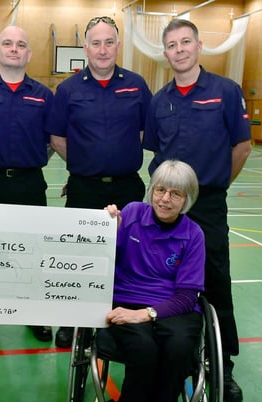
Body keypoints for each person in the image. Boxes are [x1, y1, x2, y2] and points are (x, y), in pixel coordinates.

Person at [143, 18, 252, 402]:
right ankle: (175, 354)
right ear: (165, 53)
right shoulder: (159, 101)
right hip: (166, 205)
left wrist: (215, 188)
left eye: (185, 42)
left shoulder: (225, 91)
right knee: (166, 278)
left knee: (216, 281)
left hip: (207, 203)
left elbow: (241, 147)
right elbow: (156, 154)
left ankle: (224, 364)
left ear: (199, 46)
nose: (179, 50)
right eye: (171, 45)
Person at [46, 15, 152, 348]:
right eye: (96, 43)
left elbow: (147, 131)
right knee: (76, 256)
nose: (102, 49)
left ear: (118, 46)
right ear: (85, 47)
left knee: (128, 258)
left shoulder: (137, 85)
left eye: (109, 42)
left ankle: (125, 316)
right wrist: (84, 163)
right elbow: (57, 137)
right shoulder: (68, 89)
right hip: (84, 187)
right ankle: (71, 321)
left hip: (127, 188)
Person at [0, 25, 54, 343]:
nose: (14, 49)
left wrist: (25, 163)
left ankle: (35, 314)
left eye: (21, 45)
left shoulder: (44, 96)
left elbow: (51, 141)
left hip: (30, 185)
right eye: (7, 43)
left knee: (33, 253)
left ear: (29, 53)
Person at [103, 159, 205, 402]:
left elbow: (186, 297)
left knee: (180, 348)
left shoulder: (193, 234)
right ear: (151, 190)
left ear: (187, 199)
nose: (165, 199)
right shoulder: (132, 214)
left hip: (174, 306)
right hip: (126, 298)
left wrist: (145, 315)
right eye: (160, 190)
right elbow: (102, 261)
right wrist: (106, 229)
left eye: (176, 194)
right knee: (144, 349)